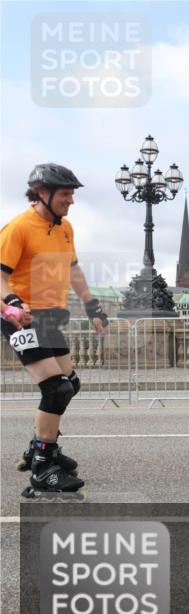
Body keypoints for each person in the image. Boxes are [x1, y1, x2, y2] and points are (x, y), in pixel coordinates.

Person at [1, 163, 109, 499]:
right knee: (55, 389)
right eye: (65, 194)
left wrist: (93, 306)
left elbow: (73, 270)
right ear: (42, 194)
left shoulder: (65, 229)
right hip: (20, 317)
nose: (71, 200)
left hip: (49, 316)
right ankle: (42, 469)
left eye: (72, 193)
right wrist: (13, 301)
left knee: (70, 384)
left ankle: (40, 446)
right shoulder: (18, 228)